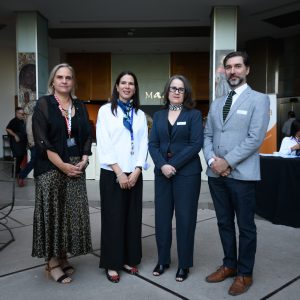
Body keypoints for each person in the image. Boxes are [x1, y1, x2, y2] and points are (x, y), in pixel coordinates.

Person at [203, 51, 270, 296]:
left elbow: (255, 138)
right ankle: (229, 265)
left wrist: (227, 162)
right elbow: (207, 135)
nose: (233, 71)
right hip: (216, 175)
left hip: (241, 175)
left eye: (238, 66)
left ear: (247, 70)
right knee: (223, 223)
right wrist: (212, 160)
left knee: (245, 226)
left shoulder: (259, 100)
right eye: (229, 67)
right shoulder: (217, 102)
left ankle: (245, 273)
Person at [32, 63, 92, 284]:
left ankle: (62, 255)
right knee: (53, 215)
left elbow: (86, 134)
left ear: (73, 81)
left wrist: (84, 159)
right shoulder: (44, 104)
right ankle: (52, 263)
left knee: (69, 215)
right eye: (60, 77)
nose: (64, 81)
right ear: (53, 81)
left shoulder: (79, 105)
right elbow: (42, 141)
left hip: (76, 166)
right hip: (51, 167)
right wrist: (62, 166)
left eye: (68, 77)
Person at [148, 75, 203, 282]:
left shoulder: (194, 115)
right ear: (167, 91)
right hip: (162, 174)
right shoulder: (159, 115)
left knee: (185, 219)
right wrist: (163, 165)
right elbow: (152, 144)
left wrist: (174, 165)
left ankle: (184, 264)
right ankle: (163, 260)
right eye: (173, 88)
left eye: (181, 89)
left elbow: (195, 144)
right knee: (162, 219)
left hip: (187, 175)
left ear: (186, 92)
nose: (176, 92)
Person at [96, 71, 148, 283]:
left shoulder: (140, 114)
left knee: (132, 219)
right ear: (117, 87)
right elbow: (104, 142)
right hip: (112, 174)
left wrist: (136, 170)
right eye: (123, 83)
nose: (127, 86)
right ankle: (112, 263)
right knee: (113, 219)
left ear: (135, 89)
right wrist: (119, 172)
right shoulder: (106, 111)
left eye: (131, 84)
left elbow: (144, 143)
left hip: (134, 174)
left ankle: (128, 258)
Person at [6, 107, 27, 183]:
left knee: (20, 157)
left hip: (22, 144)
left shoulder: (22, 121)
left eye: (23, 113)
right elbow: (8, 129)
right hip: (16, 144)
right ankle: (15, 173)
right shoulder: (14, 121)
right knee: (17, 158)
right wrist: (15, 135)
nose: (22, 115)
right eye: (20, 113)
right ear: (16, 113)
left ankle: (17, 171)